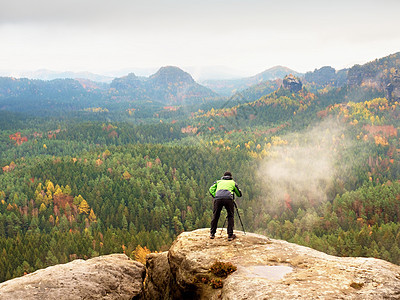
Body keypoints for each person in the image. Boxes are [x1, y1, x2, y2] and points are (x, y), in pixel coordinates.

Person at [209, 171, 242, 241]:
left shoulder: (218, 182)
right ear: (231, 177)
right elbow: (239, 194)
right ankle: (230, 235)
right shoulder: (233, 182)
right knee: (230, 215)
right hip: (228, 199)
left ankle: (212, 234)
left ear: (223, 177)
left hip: (218, 199)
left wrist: (216, 195)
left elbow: (211, 189)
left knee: (216, 215)